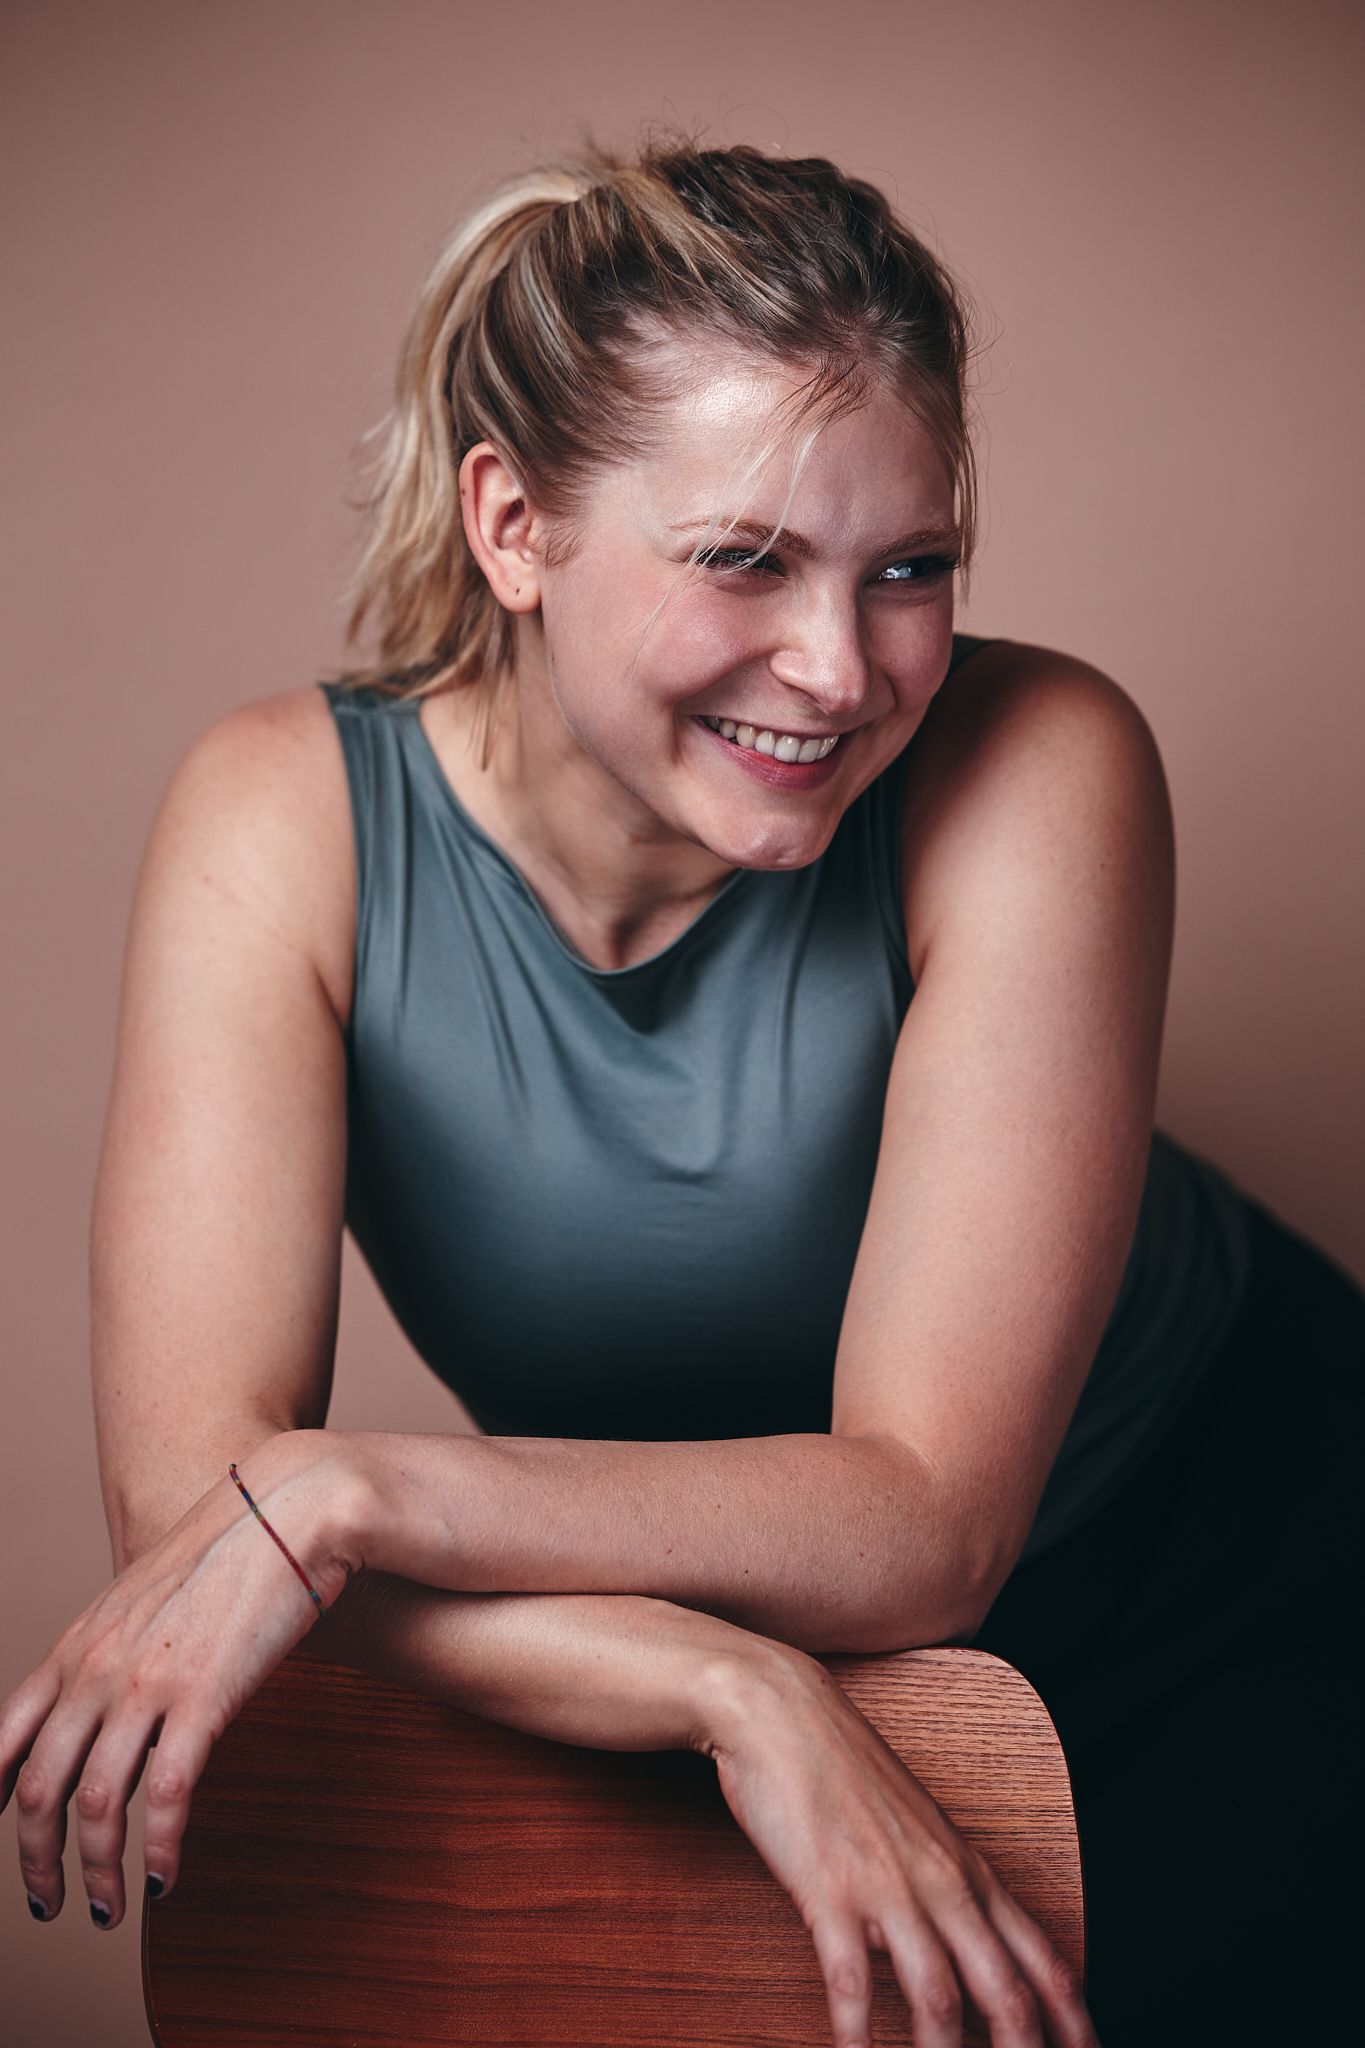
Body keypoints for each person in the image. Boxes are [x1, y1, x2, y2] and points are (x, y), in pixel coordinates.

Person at [1, 132, 1360, 2048]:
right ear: (513, 525)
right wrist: (720, 1687)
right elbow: (195, 1537)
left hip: (1227, 1577)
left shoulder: (1039, 759)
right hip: (660, 1657)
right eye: (744, 559)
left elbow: (924, 1521)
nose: (838, 668)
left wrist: (346, 1490)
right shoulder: (278, 823)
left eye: (908, 570)